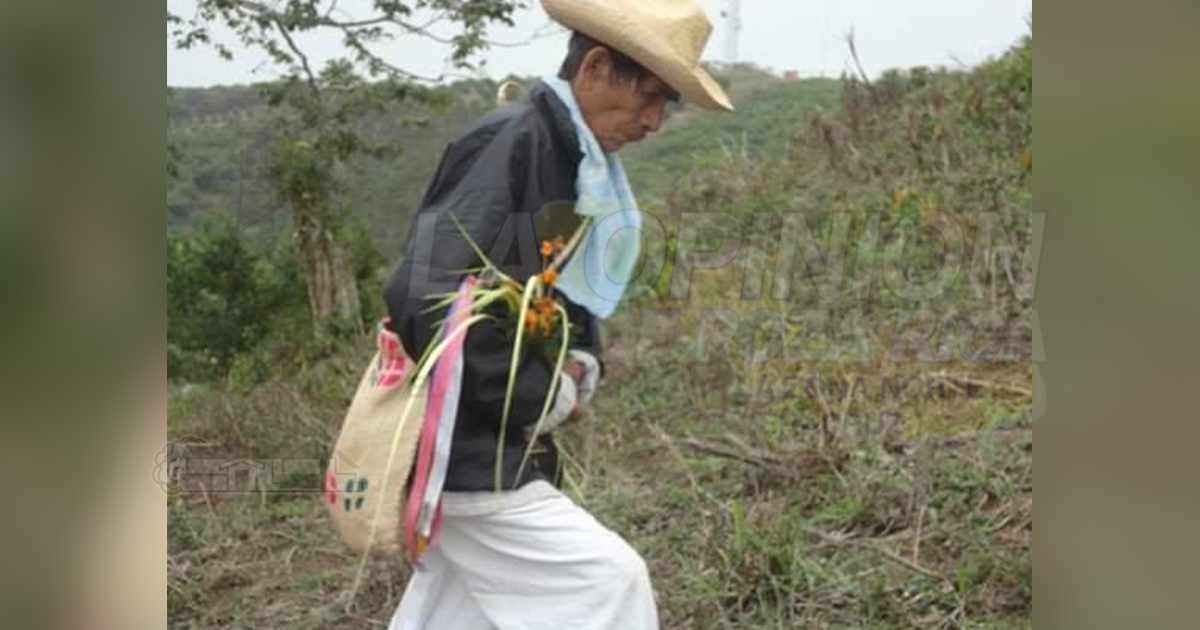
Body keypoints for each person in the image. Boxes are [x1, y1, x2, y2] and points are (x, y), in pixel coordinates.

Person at [383, 1, 731, 627]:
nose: (653, 121)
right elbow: (428, 292)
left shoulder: (573, 158)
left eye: (665, 105)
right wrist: (541, 396)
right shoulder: (517, 142)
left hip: (489, 441)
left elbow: (553, 287)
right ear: (597, 66)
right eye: (648, 95)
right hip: (464, 446)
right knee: (609, 583)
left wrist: (577, 359)